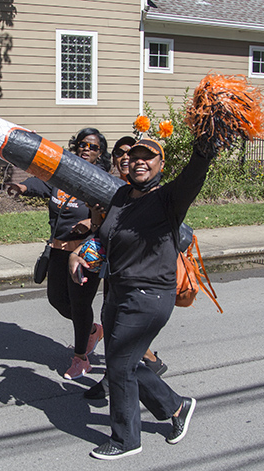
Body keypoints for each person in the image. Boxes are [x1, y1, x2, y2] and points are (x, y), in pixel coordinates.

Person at [70, 138, 213, 460]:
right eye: (133, 157)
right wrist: (81, 253)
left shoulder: (169, 199)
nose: (139, 162)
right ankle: (176, 406)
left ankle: (125, 439)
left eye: (147, 158)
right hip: (117, 290)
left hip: (149, 295)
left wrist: (204, 149)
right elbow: (106, 234)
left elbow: (195, 174)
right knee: (128, 361)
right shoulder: (121, 195)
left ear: (160, 164)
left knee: (119, 367)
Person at [6, 128, 110, 380]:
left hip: (86, 254)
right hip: (58, 249)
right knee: (56, 299)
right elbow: (41, 182)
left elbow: (112, 209)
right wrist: (22, 186)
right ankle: (91, 330)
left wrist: (90, 222)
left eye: (93, 147)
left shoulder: (100, 180)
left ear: (100, 153)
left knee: (79, 303)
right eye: (83, 145)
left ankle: (80, 359)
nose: (86, 149)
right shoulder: (63, 175)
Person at [81, 136, 167, 401]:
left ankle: (151, 368)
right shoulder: (114, 188)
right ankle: (114, 377)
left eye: (131, 153)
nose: (126, 157)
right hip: (114, 269)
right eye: (121, 152)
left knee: (125, 338)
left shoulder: (144, 189)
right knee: (112, 324)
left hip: (142, 276)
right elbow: (102, 231)